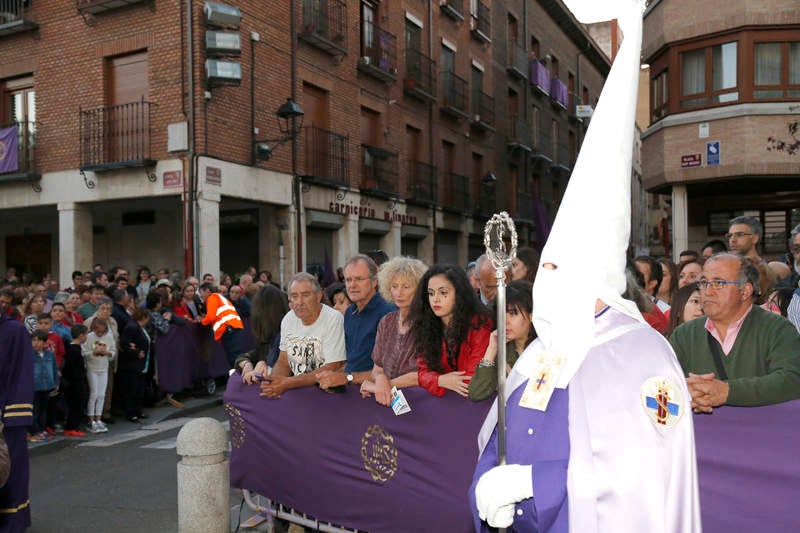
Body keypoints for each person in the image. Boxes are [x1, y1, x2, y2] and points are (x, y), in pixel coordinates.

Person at [472, 8, 700, 529]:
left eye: (556, 267)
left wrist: (535, 486)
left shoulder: (643, 354)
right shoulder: (542, 354)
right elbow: (498, 435)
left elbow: (643, 471)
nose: (544, 280)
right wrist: (486, 483)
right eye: (544, 267)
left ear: (593, 276)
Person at [670, 253, 800, 410]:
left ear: (745, 291)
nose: (707, 291)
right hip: (701, 432)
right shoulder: (684, 334)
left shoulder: (777, 329)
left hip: (761, 431)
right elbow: (663, 383)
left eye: (718, 283)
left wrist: (727, 392)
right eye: (704, 282)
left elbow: (792, 379)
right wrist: (685, 394)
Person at [257, 273, 346, 397]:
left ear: (318, 296)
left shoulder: (333, 319)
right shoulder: (288, 319)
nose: (299, 302)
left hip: (326, 393)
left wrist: (287, 383)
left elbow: (333, 366)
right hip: (297, 388)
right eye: (294, 296)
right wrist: (274, 383)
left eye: (305, 295)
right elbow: (283, 362)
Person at [316, 255, 396, 391]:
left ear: (374, 282)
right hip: (351, 393)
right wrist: (330, 376)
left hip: (376, 395)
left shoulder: (389, 314)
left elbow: (391, 371)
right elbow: (351, 361)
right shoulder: (349, 313)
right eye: (348, 280)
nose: (352, 285)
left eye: (359, 279)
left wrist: (346, 377)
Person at [412, 264, 493, 397]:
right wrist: (440, 380)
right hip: (445, 402)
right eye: (431, 293)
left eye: (443, 292)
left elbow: (472, 380)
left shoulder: (480, 324)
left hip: (476, 403)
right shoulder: (426, 325)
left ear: (459, 293)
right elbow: (422, 373)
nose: (435, 299)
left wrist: (439, 382)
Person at [359, 257, 428, 406]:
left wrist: (380, 385)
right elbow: (376, 370)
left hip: (420, 402)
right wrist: (379, 380)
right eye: (394, 286)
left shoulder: (429, 323)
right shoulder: (386, 322)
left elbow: (423, 375)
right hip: (388, 402)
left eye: (406, 286)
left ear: (419, 289)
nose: (399, 293)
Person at [469, 280, 535, 402]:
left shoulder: (545, 350)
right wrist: (491, 350)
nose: (505, 321)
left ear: (531, 315)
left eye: (512, 313)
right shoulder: (502, 351)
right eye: (501, 313)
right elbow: (476, 393)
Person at [0, 307, 34, 532]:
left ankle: (12, 520)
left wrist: (9, 415)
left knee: (10, 470)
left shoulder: (14, 331)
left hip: (6, 416)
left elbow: (21, 375)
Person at [234, 285, 288, 382]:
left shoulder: (281, 338)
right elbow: (244, 357)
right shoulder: (268, 341)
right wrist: (247, 364)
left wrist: (264, 364)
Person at [727, 215, 775, 304]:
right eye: (730, 236)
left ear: (755, 238)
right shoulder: (735, 264)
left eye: (739, 234)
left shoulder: (758, 268)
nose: (732, 240)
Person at [198, 282, 246, 368]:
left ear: (208, 291)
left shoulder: (213, 297)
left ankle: (243, 378)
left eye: (201, 293)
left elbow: (210, 317)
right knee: (236, 358)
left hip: (229, 330)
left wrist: (201, 322)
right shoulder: (220, 298)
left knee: (234, 359)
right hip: (233, 328)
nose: (201, 296)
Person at [82, 318, 116, 433]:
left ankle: (99, 418)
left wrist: (107, 353)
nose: (100, 334)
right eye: (98, 332)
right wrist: (94, 353)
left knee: (102, 394)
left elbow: (113, 351)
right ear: (94, 329)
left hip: (104, 368)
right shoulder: (90, 337)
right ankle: (91, 420)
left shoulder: (109, 337)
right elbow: (85, 353)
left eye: (102, 332)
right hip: (92, 368)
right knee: (94, 394)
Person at [118, 309, 151, 423]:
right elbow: (124, 343)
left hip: (141, 364)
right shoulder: (132, 327)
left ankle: (138, 410)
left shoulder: (139, 327)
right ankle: (131, 413)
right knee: (131, 390)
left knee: (139, 390)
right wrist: (136, 352)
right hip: (132, 364)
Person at [30, 329, 59, 442]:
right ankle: (35, 431)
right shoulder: (29, 355)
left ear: (45, 343)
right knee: (34, 409)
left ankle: (42, 429)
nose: (36, 343)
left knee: (43, 409)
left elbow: (54, 368)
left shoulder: (49, 354)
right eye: (33, 340)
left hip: (47, 385)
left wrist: (56, 382)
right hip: (34, 386)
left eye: (39, 341)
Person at [62, 324, 89, 437]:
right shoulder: (74, 350)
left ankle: (74, 426)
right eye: (86, 334)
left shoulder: (75, 348)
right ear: (81, 335)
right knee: (75, 405)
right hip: (75, 382)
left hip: (77, 381)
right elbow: (69, 368)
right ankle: (71, 427)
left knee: (78, 404)